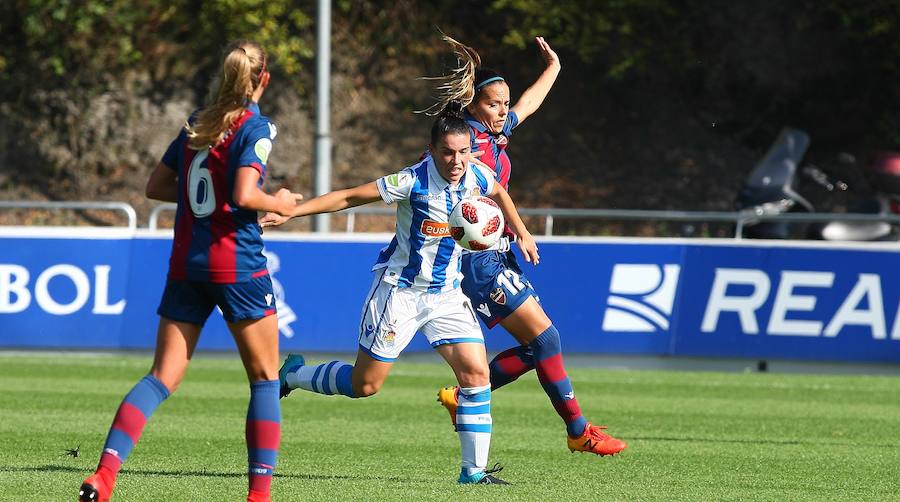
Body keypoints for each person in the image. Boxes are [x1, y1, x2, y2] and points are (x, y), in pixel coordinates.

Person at [264, 103, 540, 484]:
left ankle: (473, 474)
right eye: (448, 152)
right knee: (365, 385)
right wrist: (292, 213)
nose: (457, 160)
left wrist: (521, 231)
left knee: (476, 373)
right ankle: (294, 375)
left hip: (446, 294)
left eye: (463, 151)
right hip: (400, 293)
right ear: (431, 150)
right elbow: (348, 197)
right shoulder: (411, 182)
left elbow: (500, 194)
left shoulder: (477, 174)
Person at [78, 40, 299, 502]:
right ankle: (258, 496)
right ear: (264, 80)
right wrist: (276, 201)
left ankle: (103, 474)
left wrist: (209, 202)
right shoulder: (255, 126)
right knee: (264, 378)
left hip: (187, 264)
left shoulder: (199, 121)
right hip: (237, 264)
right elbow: (243, 193)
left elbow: (157, 186)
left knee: (162, 376)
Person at [428, 35, 627, 456]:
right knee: (547, 341)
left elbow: (528, 105)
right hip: (476, 260)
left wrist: (554, 66)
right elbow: (494, 191)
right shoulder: (467, 142)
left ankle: (460, 396)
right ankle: (578, 431)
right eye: (493, 104)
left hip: (496, 254)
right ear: (472, 106)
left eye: (504, 103)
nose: (503, 111)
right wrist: (522, 229)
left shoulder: (494, 131)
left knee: (541, 346)